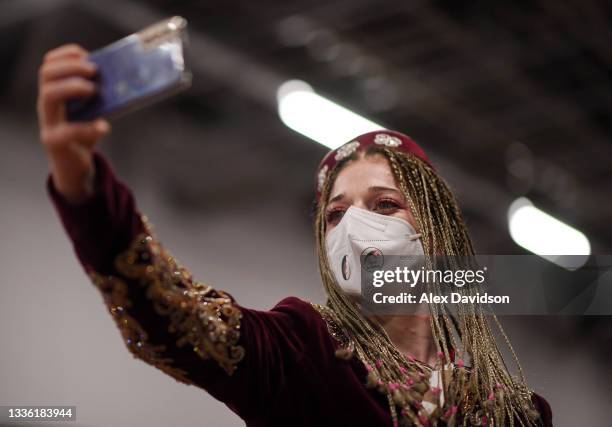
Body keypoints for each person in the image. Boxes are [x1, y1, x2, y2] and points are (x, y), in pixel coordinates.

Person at [38, 44, 553, 426]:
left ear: (436, 233)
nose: (353, 228)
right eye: (334, 215)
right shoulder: (302, 350)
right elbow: (173, 313)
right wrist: (82, 185)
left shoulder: (515, 411)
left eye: (385, 205)